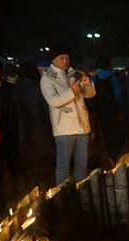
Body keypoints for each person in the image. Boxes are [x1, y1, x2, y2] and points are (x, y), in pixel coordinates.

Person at [40, 46, 95, 184]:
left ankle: (81, 192)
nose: (65, 60)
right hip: (64, 129)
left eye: (67, 57)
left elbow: (90, 95)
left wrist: (88, 85)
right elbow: (53, 101)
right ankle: (63, 196)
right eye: (61, 57)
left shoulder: (74, 73)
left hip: (83, 126)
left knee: (82, 162)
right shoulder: (47, 78)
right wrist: (71, 91)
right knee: (64, 164)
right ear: (53, 59)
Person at [13, 62, 54, 189]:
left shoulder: (15, 90)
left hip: (25, 138)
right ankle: (49, 196)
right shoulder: (39, 87)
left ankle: (34, 198)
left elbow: (14, 115)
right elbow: (48, 110)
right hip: (44, 137)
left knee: (32, 174)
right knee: (47, 172)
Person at [90, 57, 126, 158]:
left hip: (99, 113)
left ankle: (107, 157)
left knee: (104, 136)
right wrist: (121, 109)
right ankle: (115, 156)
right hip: (113, 111)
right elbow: (118, 95)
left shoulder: (94, 79)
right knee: (115, 135)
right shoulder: (114, 77)